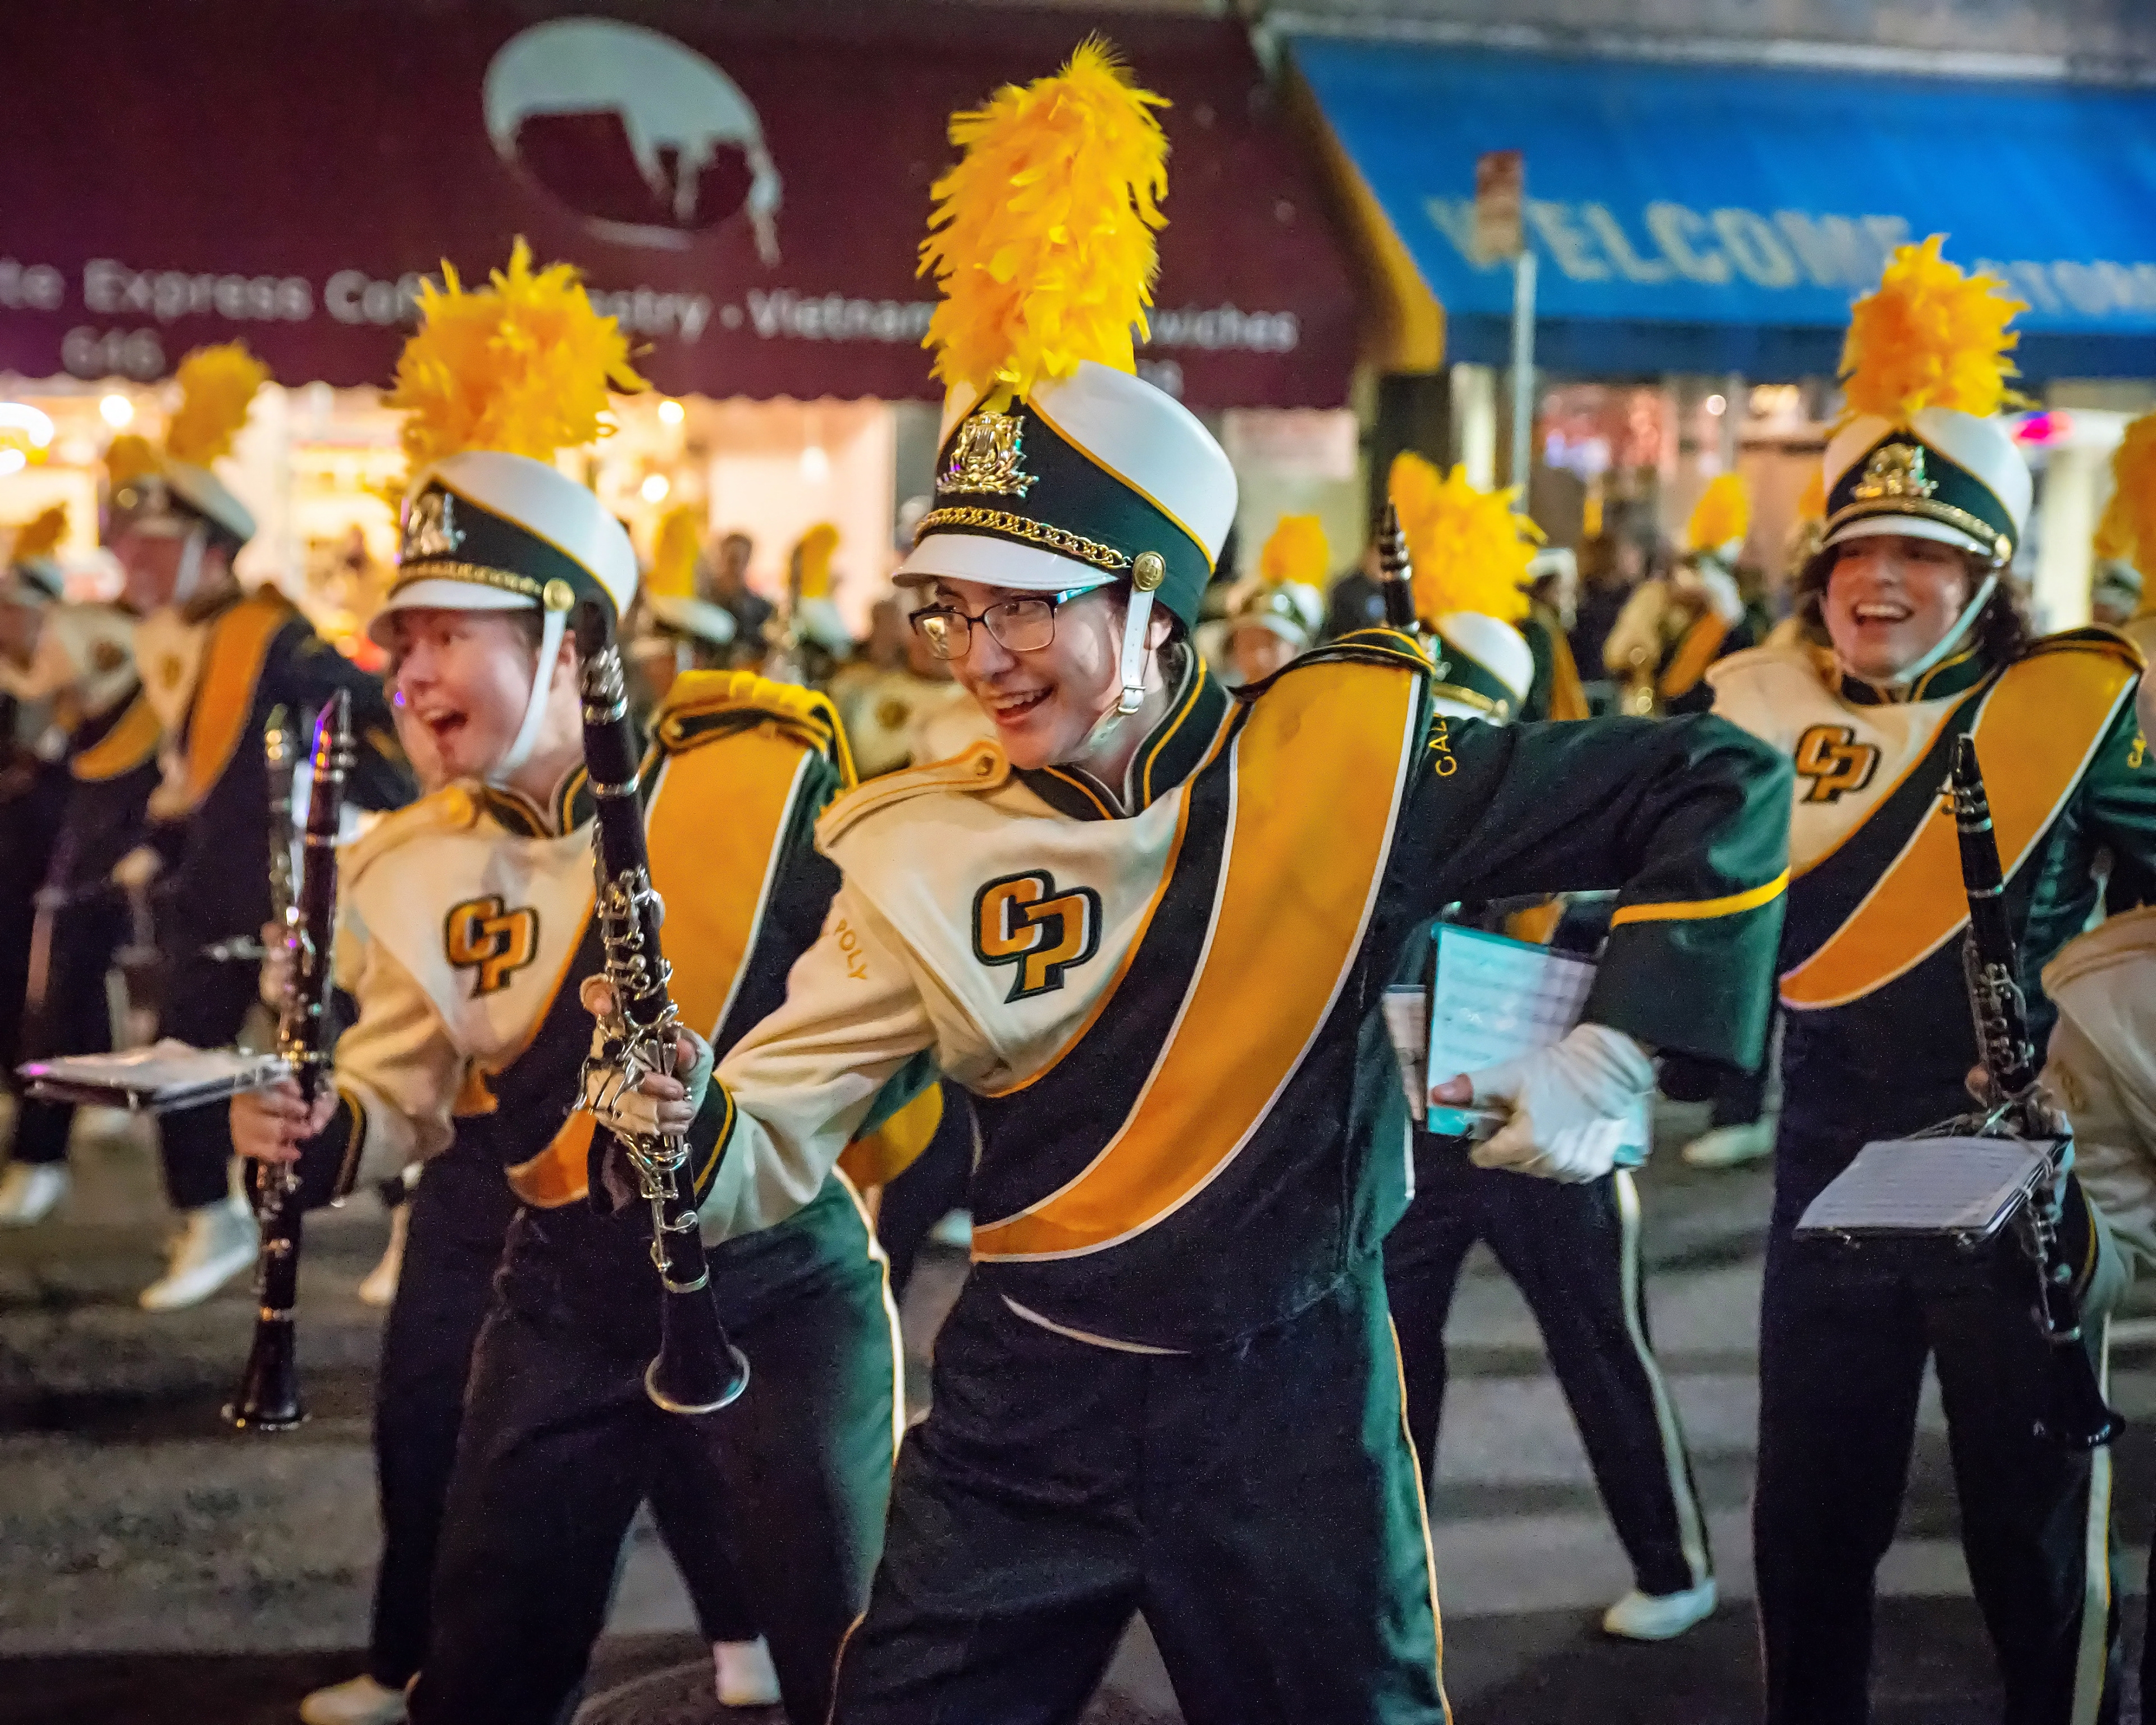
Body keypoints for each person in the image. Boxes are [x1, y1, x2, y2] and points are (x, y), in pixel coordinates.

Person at [582, 44, 1789, 1723]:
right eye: (959, 609)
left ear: (1153, 607)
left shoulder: (1348, 757)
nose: (985, 653)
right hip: (1018, 1418)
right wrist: (678, 1123)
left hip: (1292, 1418)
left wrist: (1619, 1045)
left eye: (1033, 606)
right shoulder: (919, 837)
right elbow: (771, 1126)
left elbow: (1710, 777)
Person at [229, 244, 902, 1725]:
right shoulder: (403, 860)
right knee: (483, 1663)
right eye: (399, 638)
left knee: (845, 1667)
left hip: (785, 1286)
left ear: (569, 641)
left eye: (448, 633)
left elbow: (885, 1042)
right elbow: (399, 1099)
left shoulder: (760, 784)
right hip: (559, 1297)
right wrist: (315, 1128)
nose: (403, 677)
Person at [1709, 238, 2155, 1724]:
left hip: (2013, 1177)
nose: (1880, 581)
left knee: (2031, 1545)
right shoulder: (1745, 706)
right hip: (1826, 1165)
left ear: (1987, 578)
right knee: (1808, 1527)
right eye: (1856, 550)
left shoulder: (2069, 715)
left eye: (1923, 555)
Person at [1377, 456, 1717, 1644]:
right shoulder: (1378, 801)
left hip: (1548, 1123)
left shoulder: (1568, 804)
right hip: (1416, 1132)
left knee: (1602, 1349)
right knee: (1392, 1358)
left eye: (1456, 714)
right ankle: (1391, 1566)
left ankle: (1675, 1564)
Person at [102, 345, 412, 1310]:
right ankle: (210, 1216)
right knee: (186, 1057)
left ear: (206, 545)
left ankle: (412, 1220)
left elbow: (365, 712)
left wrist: (388, 820)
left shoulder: (269, 634)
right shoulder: (168, 638)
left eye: (152, 546)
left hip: (288, 893)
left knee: (362, 1055)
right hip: (212, 891)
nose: (131, 560)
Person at [0, 506, 158, 1224]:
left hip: (121, 820)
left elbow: (44, 699)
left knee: (59, 979)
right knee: (69, 973)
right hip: (90, 821)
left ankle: (44, 1152)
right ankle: (65, 1127)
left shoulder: (79, 638)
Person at [1603, 474, 1760, 716]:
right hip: (1658, 719)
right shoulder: (1654, 599)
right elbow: (1620, 656)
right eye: (1693, 566)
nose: (1696, 577)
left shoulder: (1731, 615)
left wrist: (1727, 619)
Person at [1218, 514, 1326, 687]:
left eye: (1272, 643)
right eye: (1250, 644)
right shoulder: (1221, 708)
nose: (1259, 658)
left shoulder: (1319, 707)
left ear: (1299, 649)